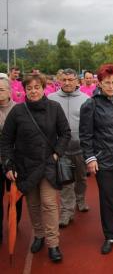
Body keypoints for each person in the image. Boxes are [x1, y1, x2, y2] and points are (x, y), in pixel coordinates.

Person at [1, 72, 71, 262]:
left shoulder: (54, 108)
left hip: (48, 164)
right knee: (33, 204)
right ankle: (39, 235)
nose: (33, 91)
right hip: (25, 166)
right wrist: (8, 164)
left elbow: (65, 133)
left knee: (49, 204)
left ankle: (53, 243)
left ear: (43, 88)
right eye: (29, 88)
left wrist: (57, 153)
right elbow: (6, 141)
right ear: (24, 91)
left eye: (37, 87)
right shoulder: (17, 112)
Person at [79, 64, 113, 254]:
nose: (111, 86)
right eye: (106, 83)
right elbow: (85, 135)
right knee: (107, 198)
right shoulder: (91, 104)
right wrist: (90, 158)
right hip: (104, 160)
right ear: (99, 83)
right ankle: (110, 234)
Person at [48, 69, 90, 228]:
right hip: (61, 150)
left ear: (77, 81)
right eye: (64, 79)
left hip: (80, 149)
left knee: (81, 179)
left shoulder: (86, 99)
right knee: (66, 181)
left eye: (70, 79)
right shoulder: (51, 99)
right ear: (59, 79)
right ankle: (67, 211)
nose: (67, 83)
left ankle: (80, 199)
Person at [0, 77, 23, 244]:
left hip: (15, 161)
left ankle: (14, 223)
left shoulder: (19, 110)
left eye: (1, 89)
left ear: (9, 91)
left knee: (15, 197)